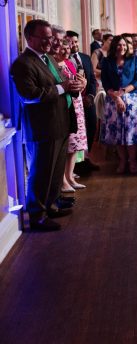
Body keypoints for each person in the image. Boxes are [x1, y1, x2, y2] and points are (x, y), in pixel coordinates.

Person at [11, 20, 85, 231]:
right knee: (41, 172)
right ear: (29, 38)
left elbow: (64, 84)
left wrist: (76, 86)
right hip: (42, 127)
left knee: (55, 171)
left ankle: (52, 205)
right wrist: (63, 88)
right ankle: (37, 216)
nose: (49, 42)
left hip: (61, 123)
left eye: (50, 38)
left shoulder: (48, 59)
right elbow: (29, 96)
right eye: (44, 38)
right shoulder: (23, 64)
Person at [100, 36, 137, 174]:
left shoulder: (135, 59)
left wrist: (123, 92)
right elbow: (105, 81)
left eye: (124, 45)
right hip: (113, 99)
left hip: (131, 99)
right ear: (114, 46)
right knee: (117, 132)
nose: (122, 47)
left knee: (131, 132)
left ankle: (133, 160)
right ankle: (122, 160)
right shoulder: (106, 61)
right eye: (119, 45)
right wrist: (116, 97)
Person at [53, 35, 88, 192]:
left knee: (75, 144)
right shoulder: (54, 65)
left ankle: (70, 177)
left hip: (77, 105)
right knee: (67, 145)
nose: (66, 50)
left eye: (68, 48)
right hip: (65, 106)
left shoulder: (69, 63)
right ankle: (62, 181)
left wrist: (83, 83)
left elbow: (78, 82)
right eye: (63, 48)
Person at [65, 30, 100, 173]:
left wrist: (91, 96)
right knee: (76, 132)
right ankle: (75, 165)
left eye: (75, 41)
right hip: (73, 102)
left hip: (88, 101)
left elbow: (92, 79)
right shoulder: (64, 60)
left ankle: (86, 157)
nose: (74, 44)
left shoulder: (85, 58)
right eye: (70, 42)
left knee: (91, 128)